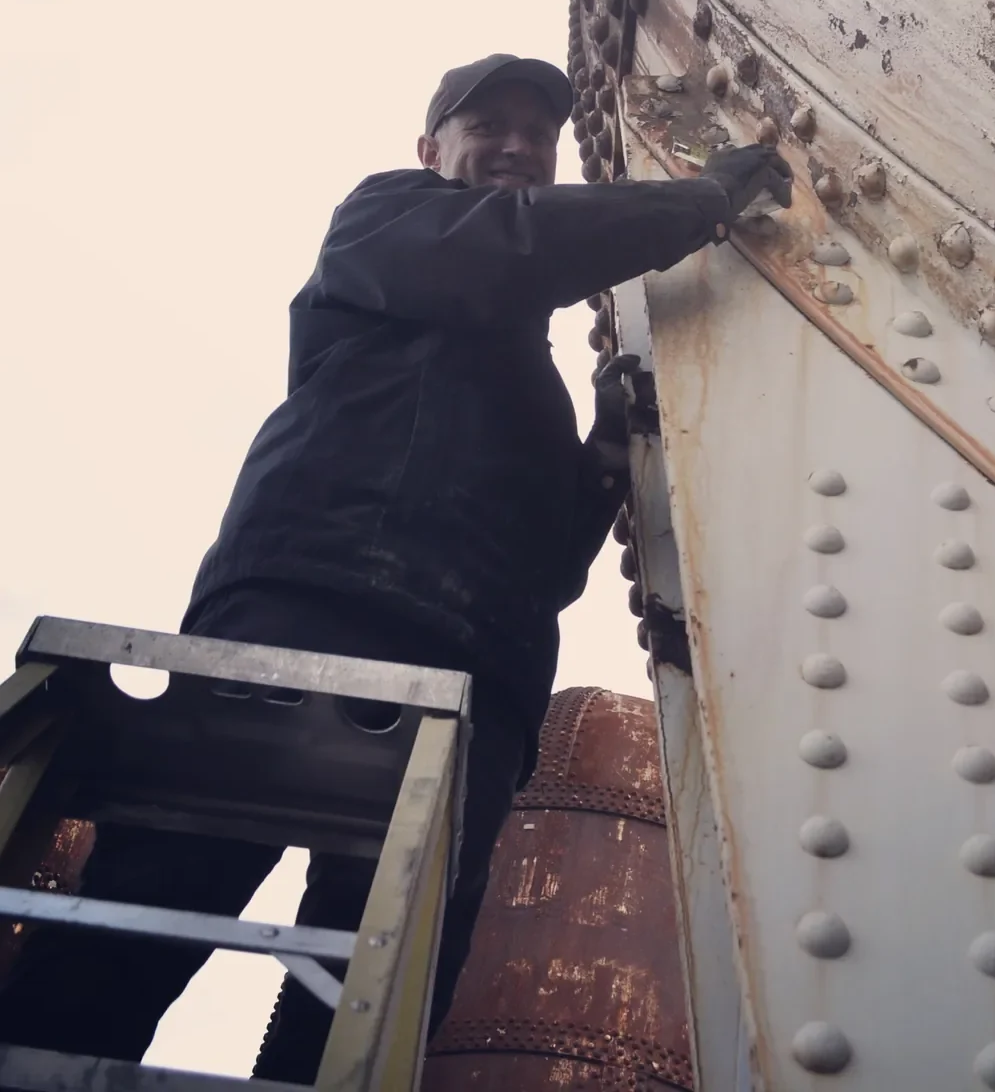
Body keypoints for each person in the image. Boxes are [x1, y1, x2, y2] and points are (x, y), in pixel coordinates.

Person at [0, 53, 792, 1080]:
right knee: (164, 883)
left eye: (535, 133)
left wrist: (602, 452)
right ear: (430, 150)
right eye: (488, 125)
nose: (517, 145)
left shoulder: (526, 374)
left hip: (477, 665)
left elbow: (548, 566)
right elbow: (513, 251)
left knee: (380, 985)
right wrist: (701, 200)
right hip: (314, 598)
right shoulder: (387, 224)